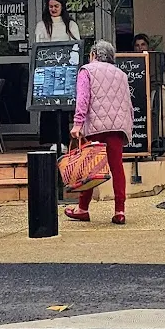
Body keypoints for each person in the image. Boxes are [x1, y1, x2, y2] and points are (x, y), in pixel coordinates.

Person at [66, 40, 135, 225]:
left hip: (96, 126)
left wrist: (78, 124)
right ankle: (120, 211)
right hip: (117, 127)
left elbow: (83, 99)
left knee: (89, 168)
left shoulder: (87, 70)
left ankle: (83, 208)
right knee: (117, 167)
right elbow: (128, 103)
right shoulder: (121, 74)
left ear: (94, 54)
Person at [33, 0, 80, 148]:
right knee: (47, 105)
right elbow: (38, 47)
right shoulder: (41, 25)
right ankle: (50, 140)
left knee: (63, 105)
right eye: (50, 6)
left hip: (65, 72)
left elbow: (76, 46)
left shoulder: (70, 25)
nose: (53, 9)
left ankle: (63, 141)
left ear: (62, 7)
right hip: (47, 71)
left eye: (56, 6)